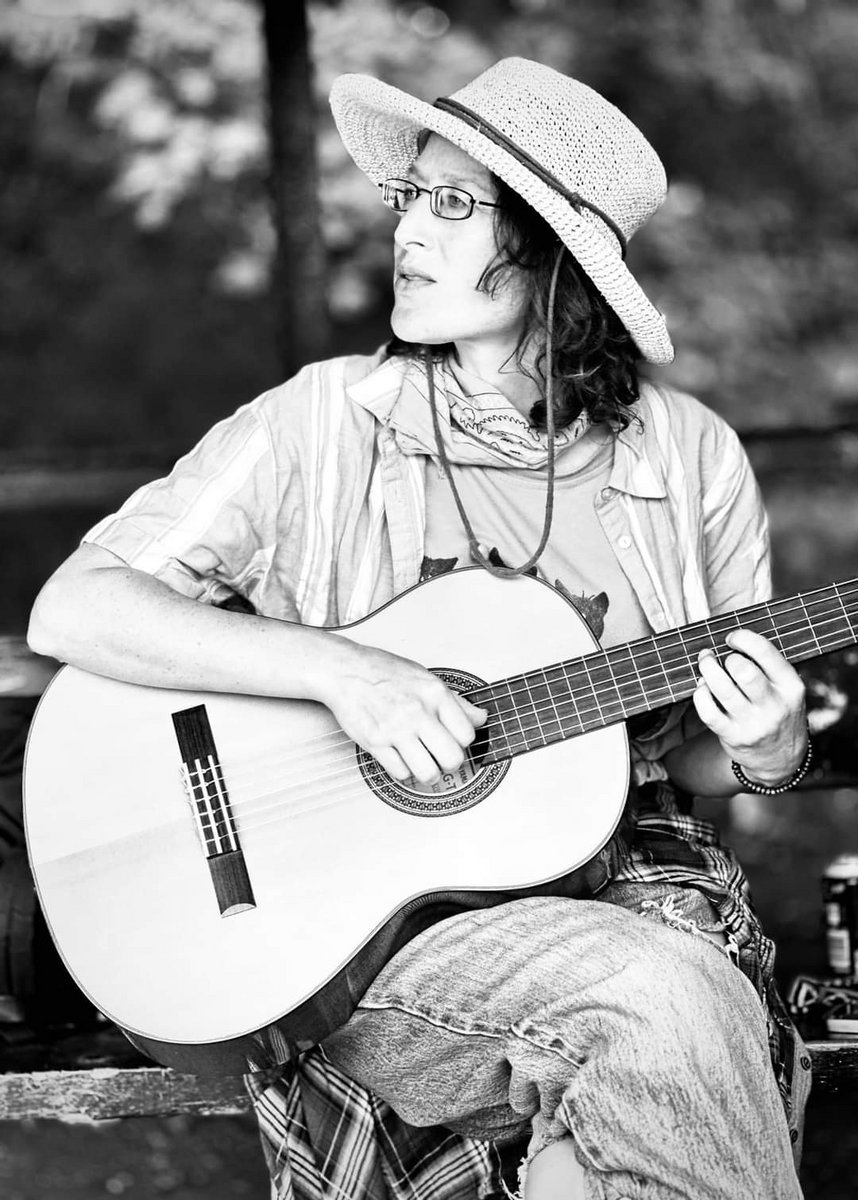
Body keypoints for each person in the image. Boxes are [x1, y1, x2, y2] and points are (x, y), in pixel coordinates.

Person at [28, 58, 813, 1200]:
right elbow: (77, 604)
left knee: (620, 1087)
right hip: (368, 938)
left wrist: (766, 750)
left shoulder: (691, 456)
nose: (405, 228)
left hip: (625, 886)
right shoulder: (320, 423)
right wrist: (346, 674)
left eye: (452, 202)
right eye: (409, 197)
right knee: (662, 998)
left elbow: (689, 754)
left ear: (550, 250)